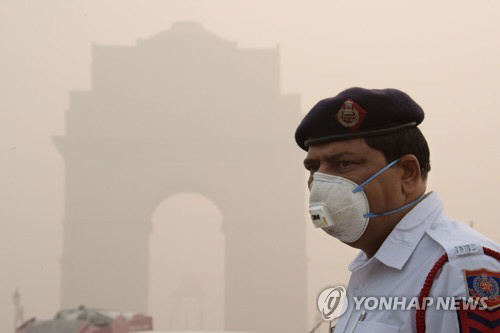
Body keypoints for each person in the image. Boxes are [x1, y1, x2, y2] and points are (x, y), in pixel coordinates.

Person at [295, 87, 499, 333]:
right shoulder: (372, 266)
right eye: (313, 168)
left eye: (344, 164)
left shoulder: (457, 268)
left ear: (407, 172)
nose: (321, 182)